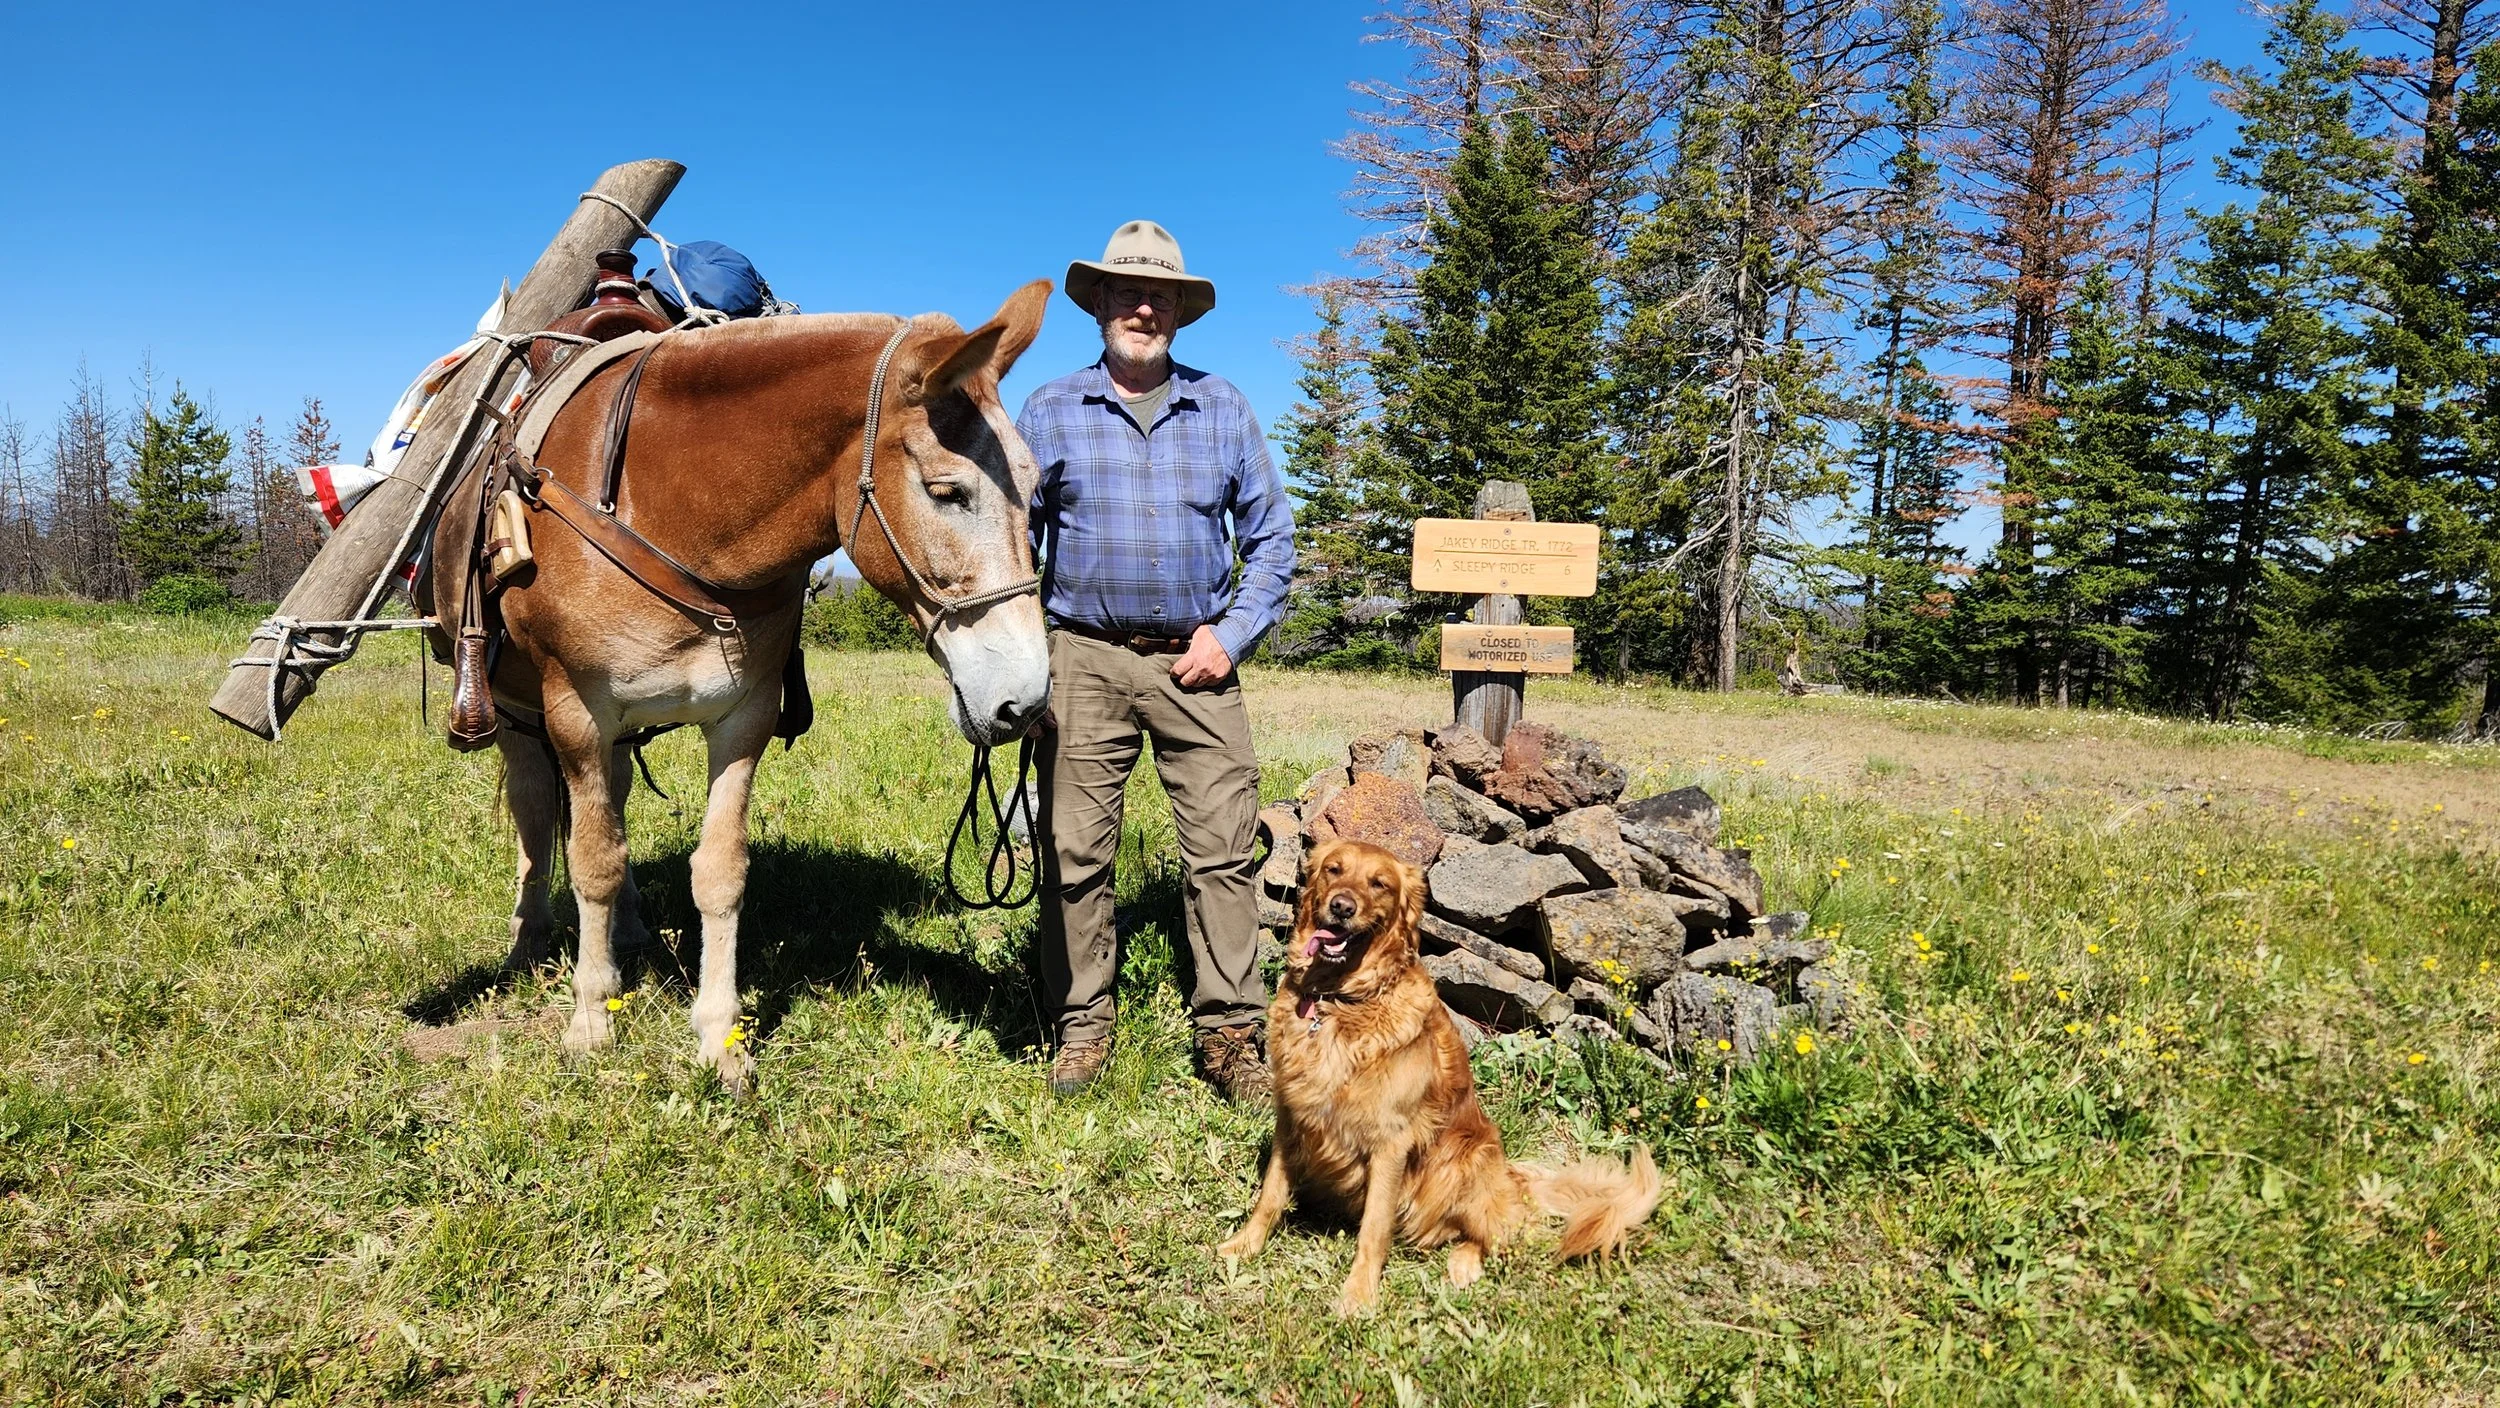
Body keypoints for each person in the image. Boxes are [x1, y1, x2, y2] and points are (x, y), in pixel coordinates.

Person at [1015, 220, 1297, 1102]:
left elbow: (1275, 540)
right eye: (1128, 291)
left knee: (1220, 854)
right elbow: (1012, 541)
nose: (1144, 306)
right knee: (1074, 854)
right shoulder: (1051, 408)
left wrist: (1232, 635)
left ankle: (1230, 1034)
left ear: (1180, 311)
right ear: (1097, 302)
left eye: (1161, 295)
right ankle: (1082, 1025)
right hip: (1083, 660)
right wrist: (1026, 657)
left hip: (1199, 660)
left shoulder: (1224, 407)